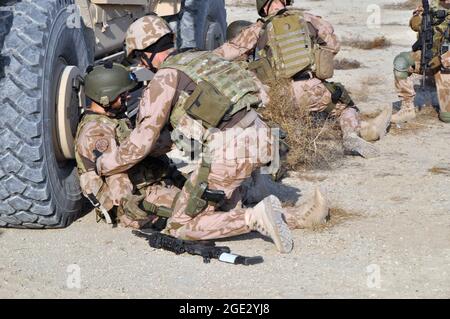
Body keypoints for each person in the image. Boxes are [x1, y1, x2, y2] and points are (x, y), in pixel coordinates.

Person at [94, 15, 330, 253]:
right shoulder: (205, 58)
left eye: (139, 58)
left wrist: (104, 164)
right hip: (263, 136)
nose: (142, 66)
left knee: (180, 225)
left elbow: (141, 143)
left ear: (145, 53)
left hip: (232, 149)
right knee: (222, 206)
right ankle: (300, 216)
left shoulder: (165, 78)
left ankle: (254, 219)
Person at [214, 0, 392, 159]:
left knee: (266, 118)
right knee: (344, 105)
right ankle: (351, 135)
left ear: (262, 6)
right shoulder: (308, 19)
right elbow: (333, 46)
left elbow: (226, 53)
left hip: (279, 97)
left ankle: (283, 143)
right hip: (312, 89)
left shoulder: (256, 29)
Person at [75, 62, 180, 229]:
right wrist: (129, 207)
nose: (128, 97)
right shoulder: (97, 131)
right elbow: (114, 174)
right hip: (141, 196)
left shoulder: (113, 118)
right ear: (106, 96)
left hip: (151, 183)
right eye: (122, 95)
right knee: (197, 209)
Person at [392, 0, 450, 123]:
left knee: (447, 117)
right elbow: (414, 25)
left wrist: (441, 60)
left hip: (446, 65)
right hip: (427, 56)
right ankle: (407, 108)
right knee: (401, 62)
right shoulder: (430, 4)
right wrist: (419, 19)